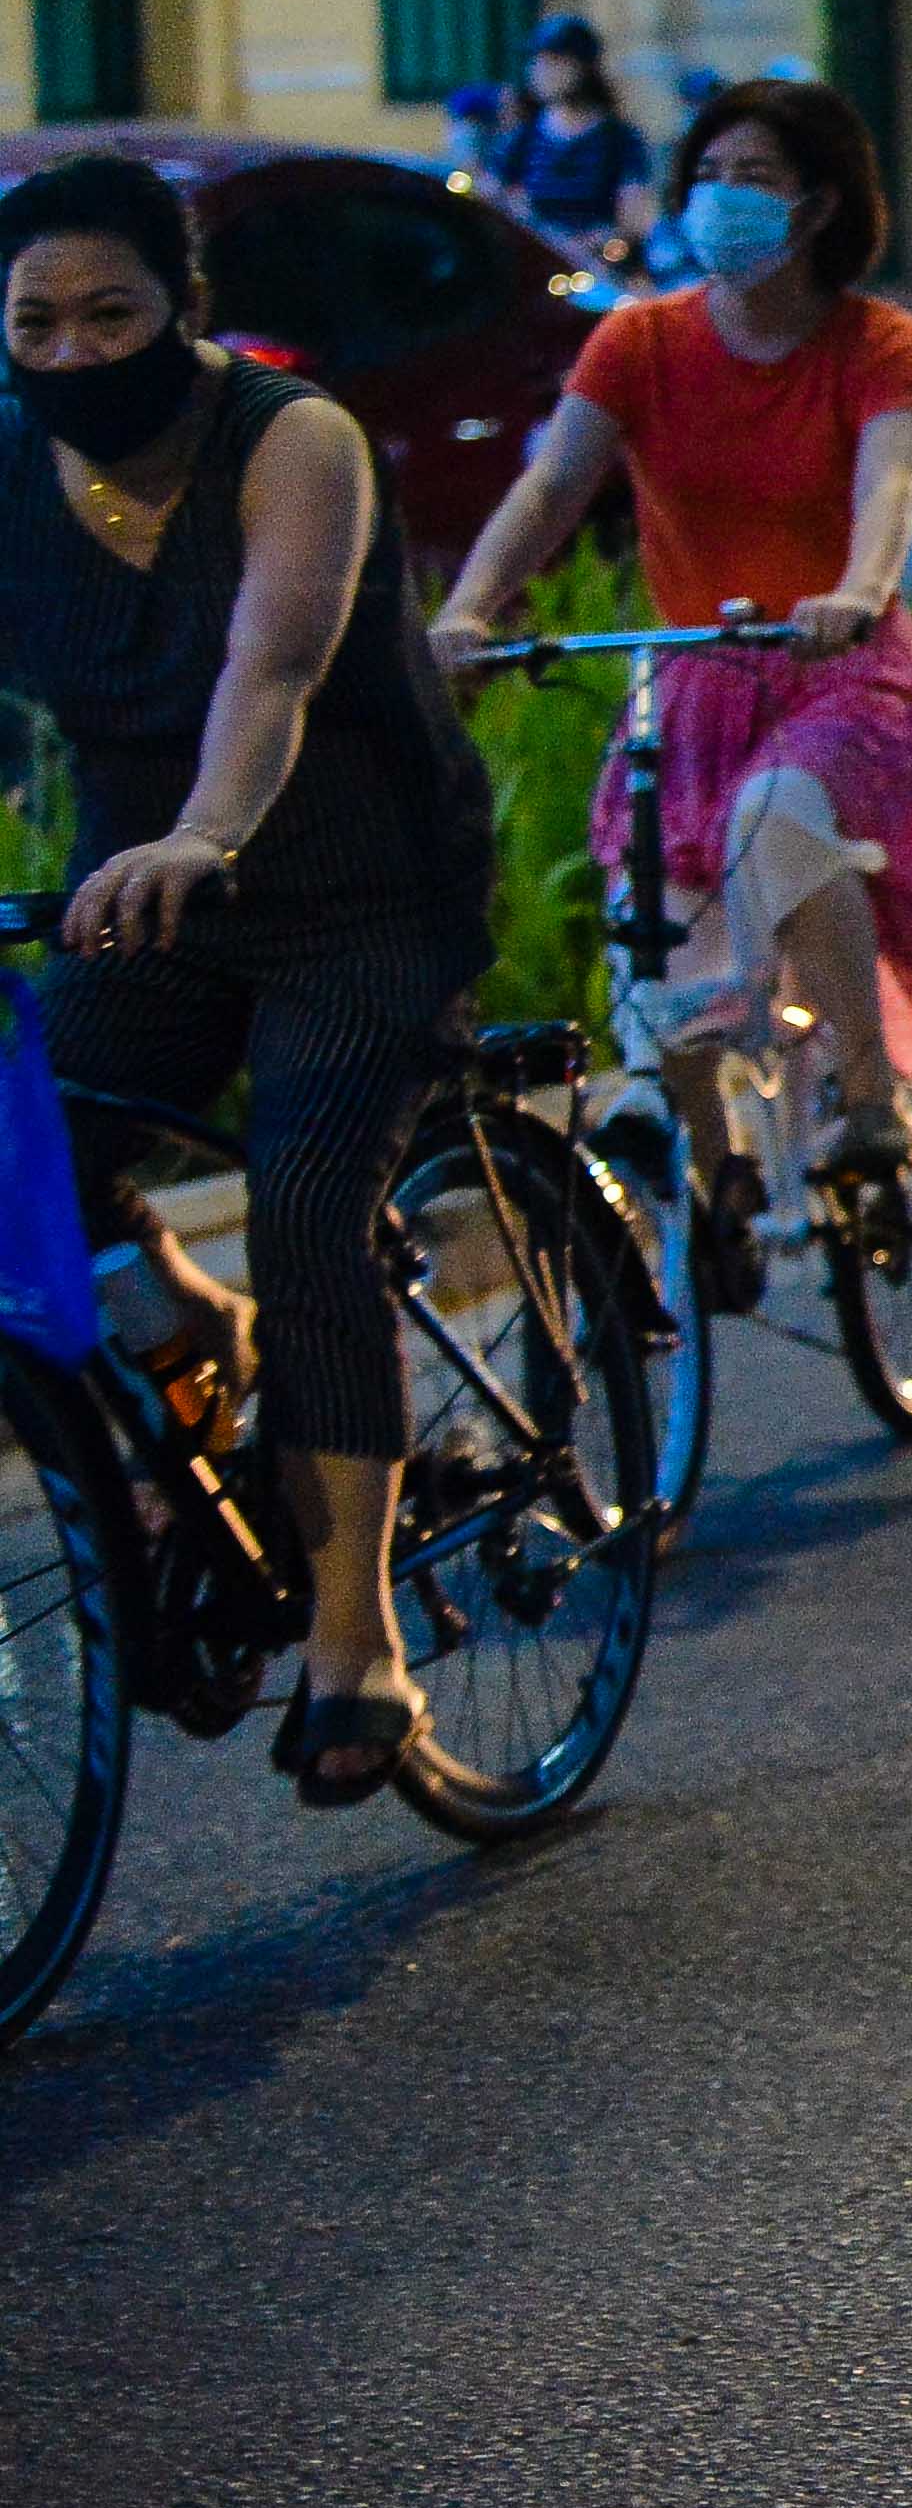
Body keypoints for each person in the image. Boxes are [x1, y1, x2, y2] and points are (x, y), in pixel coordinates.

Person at [0, 153, 500, 1806]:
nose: (72, 352)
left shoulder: (293, 441)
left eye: (110, 315)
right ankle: (171, 1321)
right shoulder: (10, 474)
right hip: (144, 907)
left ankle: (359, 1641)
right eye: (35, 323)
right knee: (19, 1150)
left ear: (186, 310)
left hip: (357, 895)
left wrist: (208, 829)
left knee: (301, 1198)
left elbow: (270, 665)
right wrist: (148, 867)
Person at [430, 79, 912, 1182]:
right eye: (708, 175)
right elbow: (548, 491)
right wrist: (467, 610)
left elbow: (889, 491)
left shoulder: (876, 345)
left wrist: (856, 592)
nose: (722, 198)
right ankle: (710, 1185)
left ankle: (869, 1097)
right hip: (691, 679)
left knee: (781, 814)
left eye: (756, 178)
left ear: (821, 205)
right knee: (656, 931)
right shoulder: (639, 345)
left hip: (839, 670)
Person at [482, 12, 658, 276]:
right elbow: (493, 202)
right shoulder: (522, 140)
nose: (541, 72)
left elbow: (635, 222)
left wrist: (595, 246)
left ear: (583, 67)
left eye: (554, 62)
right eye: (537, 63)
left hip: (600, 274)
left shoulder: (619, 140)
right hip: (537, 271)